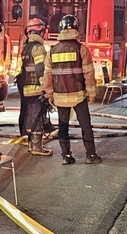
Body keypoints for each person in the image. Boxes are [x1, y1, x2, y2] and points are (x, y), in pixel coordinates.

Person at [43, 15, 102, 165]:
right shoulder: (82, 49)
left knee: (63, 126)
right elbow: (89, 73)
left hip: (60, 97)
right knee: (85, 125)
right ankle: (91, 155)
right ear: (77, 28)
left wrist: (49, 93)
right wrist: (91, 93)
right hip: (79, 96)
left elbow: (47, 75)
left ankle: (66, 156)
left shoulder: (52, 51)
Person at [17, 16, 52, 156]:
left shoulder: (25, 48)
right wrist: (46, 89)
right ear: (40, 31)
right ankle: (37, 147)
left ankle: (32, 145)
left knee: (31, 114)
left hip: (27, 88)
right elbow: (40, 70)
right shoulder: (38, 48)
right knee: (38, 116)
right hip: (37, 88)